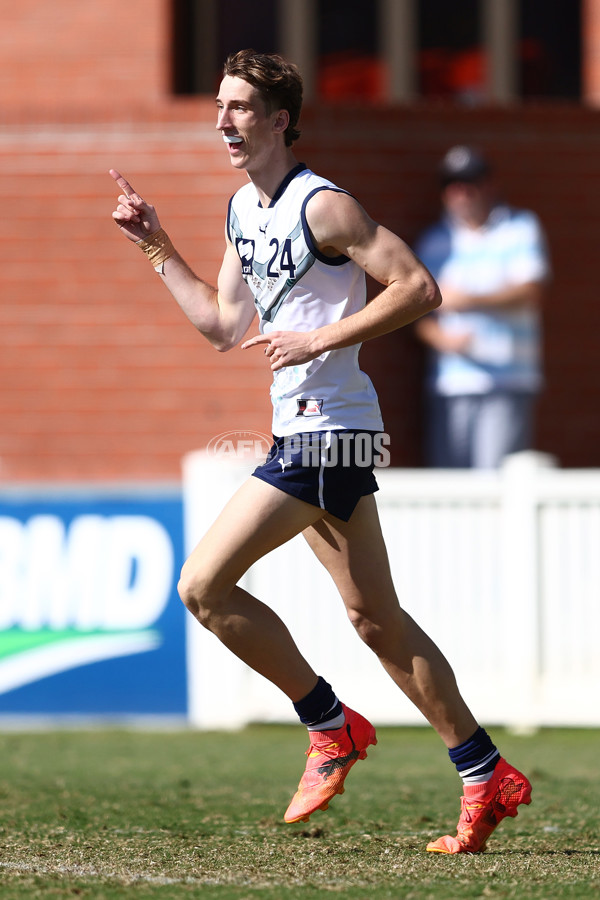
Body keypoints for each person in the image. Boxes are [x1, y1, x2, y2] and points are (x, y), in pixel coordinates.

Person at [109, 50, 531, 854]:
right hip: (307, 430)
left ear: (278, 120)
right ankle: (485, 772)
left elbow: (418, 287)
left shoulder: (324, 207)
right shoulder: (242, 210)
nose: (223, 121)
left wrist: (322, 336)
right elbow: (224, 327)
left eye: (239, 108)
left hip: (328, 433)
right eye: (220, 107)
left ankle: (328, 725)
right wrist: (156, 245)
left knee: (202, 585)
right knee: (375, 619)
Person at [414, 145, 551, 469]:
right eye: (452, 184)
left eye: (470, 182)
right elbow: (417, 315)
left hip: (507, 380)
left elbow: (531, 291)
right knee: (451, 490)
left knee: (495, 484)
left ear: (490, 184)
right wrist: (441, 340)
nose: (461, 192)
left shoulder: (520, 227)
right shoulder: (434, 241)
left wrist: (469, 299)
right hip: (450, 383)